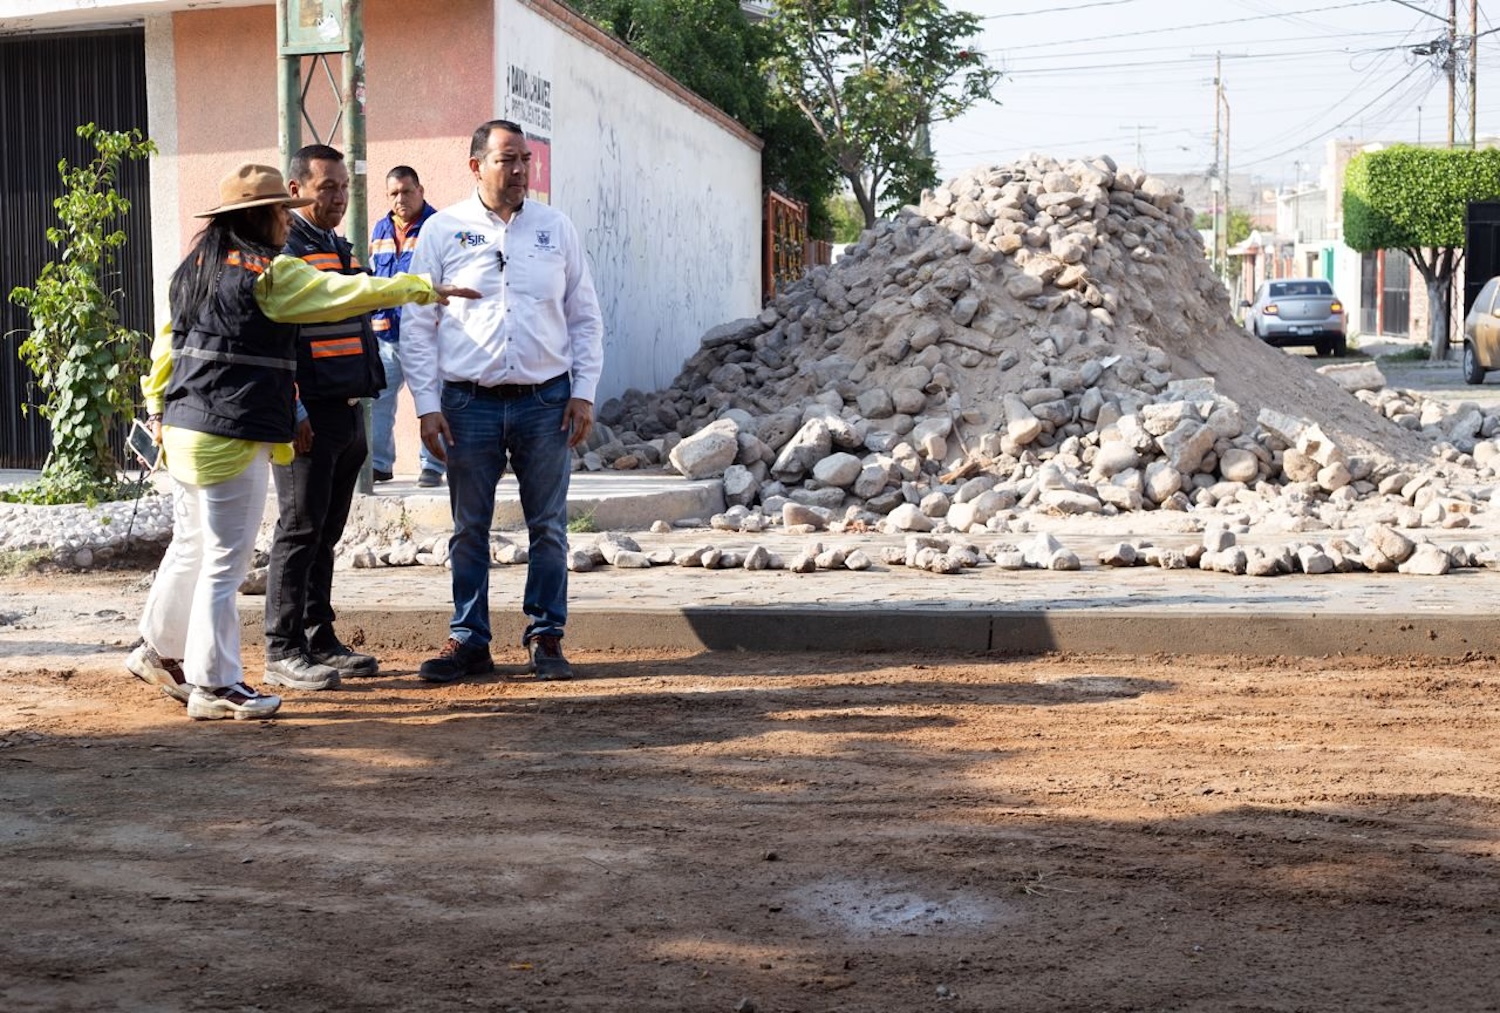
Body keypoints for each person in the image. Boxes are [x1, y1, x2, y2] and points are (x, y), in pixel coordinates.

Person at [126, 163, 475, 720]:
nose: (289, 221)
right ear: (259, 216)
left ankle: (157, 650)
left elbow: (166, 345)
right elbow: (339, 293)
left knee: (192, 547)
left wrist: (154, 406)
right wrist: (420, 288)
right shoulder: (268, 274)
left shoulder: (194, 266)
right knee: (225, 563)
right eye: (281, 212)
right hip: (229, 431)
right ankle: (216, 685)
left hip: (184, 426)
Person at [401, 119, 604, 683]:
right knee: (469, 528)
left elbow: (585, 317)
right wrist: (426, 406)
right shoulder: (443, 230)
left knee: (549, 526)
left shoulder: (555, 228)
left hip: (546, 402)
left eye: (524, 160)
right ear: (476, 166)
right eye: (506, 160)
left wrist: (583, 392)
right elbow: (417, 325)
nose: (519, 171)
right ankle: (470, 640)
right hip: (468, 406)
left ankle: (546, 635)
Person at [261, 144, 388, 693]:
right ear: (296, 191)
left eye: (344, 187)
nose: (339, 197)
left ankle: (318, 635)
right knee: (299, 529)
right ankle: (282, 648)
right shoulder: (286, 252)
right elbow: (277, 341)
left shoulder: (335, 245)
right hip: (308, 416)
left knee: (325, 532)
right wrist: (295, 409)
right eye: (327, 187)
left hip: (347, 410)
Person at [369, 165, 445, 487]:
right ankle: (378, 464)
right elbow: (375, 275)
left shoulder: (438, 227)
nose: (400, 198)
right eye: (394, 193)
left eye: (407, 191)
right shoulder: (380, 229)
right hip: (385, 335)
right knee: (378, 401)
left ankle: (433, 465)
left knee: (431, 400)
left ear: (420, 191)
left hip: (426, 336)